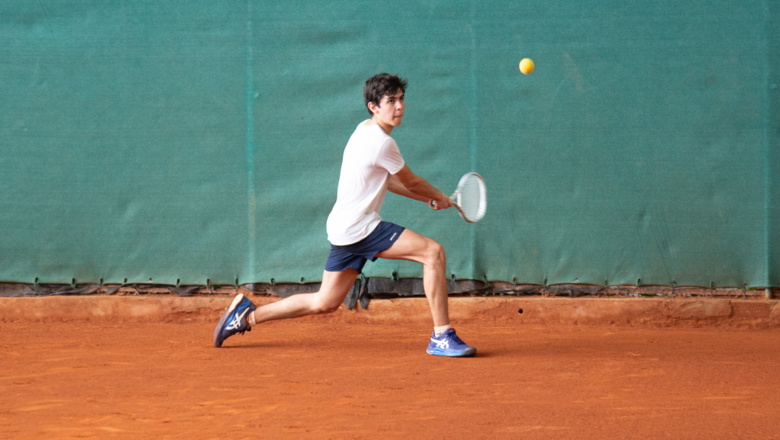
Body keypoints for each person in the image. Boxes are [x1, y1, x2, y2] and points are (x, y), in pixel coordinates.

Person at [213, 73, 476, 357]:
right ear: (373, 106)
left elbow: (387, 181)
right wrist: (436, 194)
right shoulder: (383, 143)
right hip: (361, 228)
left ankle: (246, 316)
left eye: (401, 99)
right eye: (391, 101)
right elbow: (411, 181)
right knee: (432, 253)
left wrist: (428, 198)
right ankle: (441, 335)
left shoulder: (364, 130)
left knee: (324, 302)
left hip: (344, 228)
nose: (399, 106)